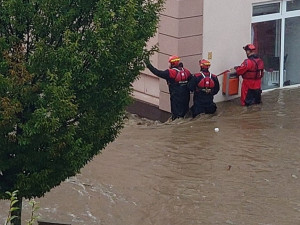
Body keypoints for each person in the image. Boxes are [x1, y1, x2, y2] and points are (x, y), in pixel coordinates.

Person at [145, 55, 191, 120]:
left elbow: (157, 72)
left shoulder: (170, 72)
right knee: (185, 114)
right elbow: (192, 81)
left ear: (172, 63)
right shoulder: (186, 71)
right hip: (186, 96)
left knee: (176, 115)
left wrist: (148, 65)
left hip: (176, 96)